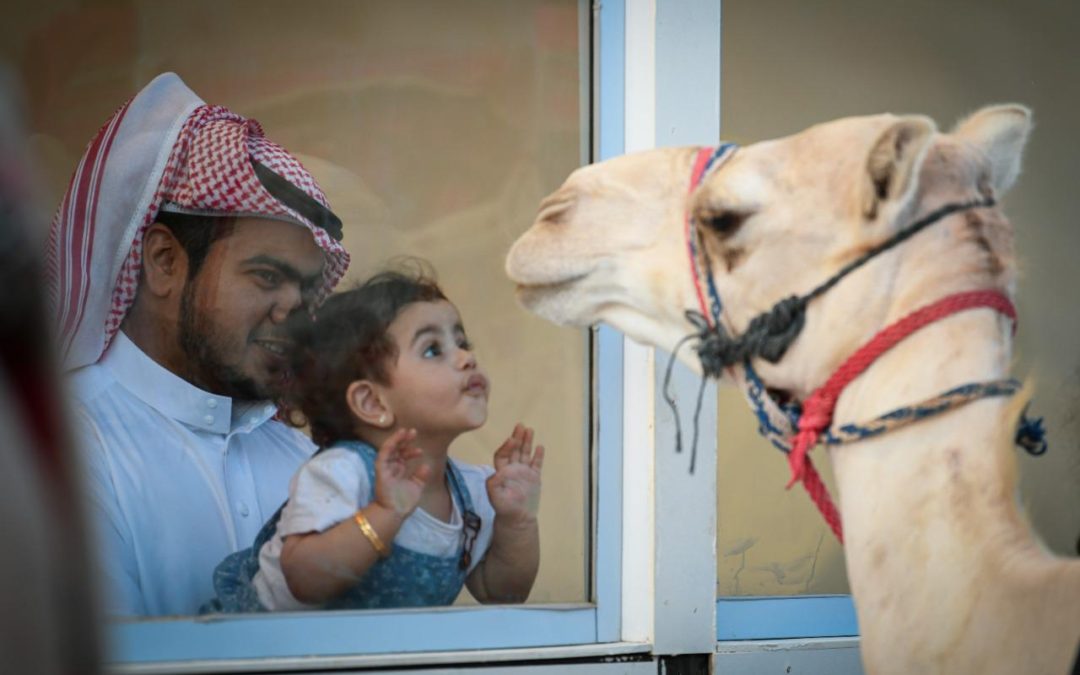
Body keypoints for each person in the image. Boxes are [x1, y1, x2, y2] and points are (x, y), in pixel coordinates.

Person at [46, 72, 350, 616]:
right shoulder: (63, 447)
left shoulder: (305, 461)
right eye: (265, 276)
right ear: (164, 262)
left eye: (305, 287)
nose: (295, 312)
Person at [206, 267, 543, 611]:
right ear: (372, 402)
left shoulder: (470, 492)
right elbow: (305, 579)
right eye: (432, 350)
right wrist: (385, 513)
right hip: (265, 654)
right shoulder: (342, 473)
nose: (466, 357)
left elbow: (501, 593)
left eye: (461, 342)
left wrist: (517, 519)